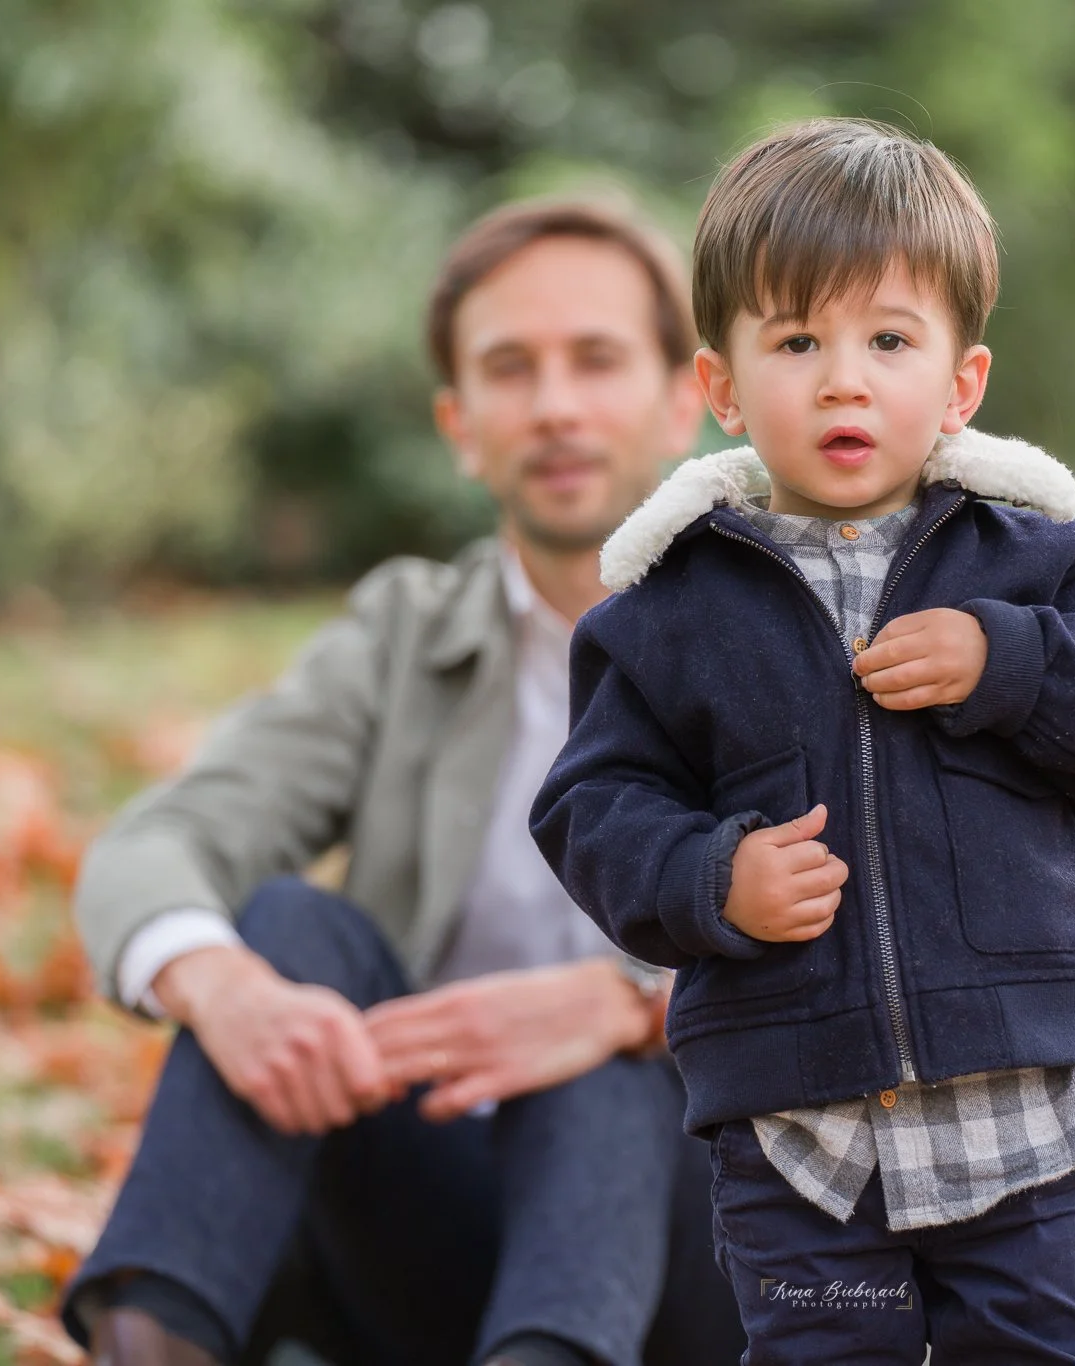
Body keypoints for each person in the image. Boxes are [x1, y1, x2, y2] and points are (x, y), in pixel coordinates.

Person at [531, 119, 1075, 1366]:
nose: (843, 379)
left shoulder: (1035, 558)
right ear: (721, 387)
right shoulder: (669, 612)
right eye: (796, 341)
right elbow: (591, 810)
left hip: (1027, 1108)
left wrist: (1008, 660)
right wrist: (710, 875)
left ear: (960, 381)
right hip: (801, 1133)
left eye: (888, 341)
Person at [61, 198, 746, 1366]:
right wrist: (219, 982)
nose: (554, 406)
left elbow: (911, 956)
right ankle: (152, 1345)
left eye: (594, 359)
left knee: (606, 1066)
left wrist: (637, 1006)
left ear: (686, 395)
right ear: (458, 424)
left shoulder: (788, 635)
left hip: (704, 1253)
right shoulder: (403, 638)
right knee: (279, 927)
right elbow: (158, 843)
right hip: (419, 1223)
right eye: (507, 369)